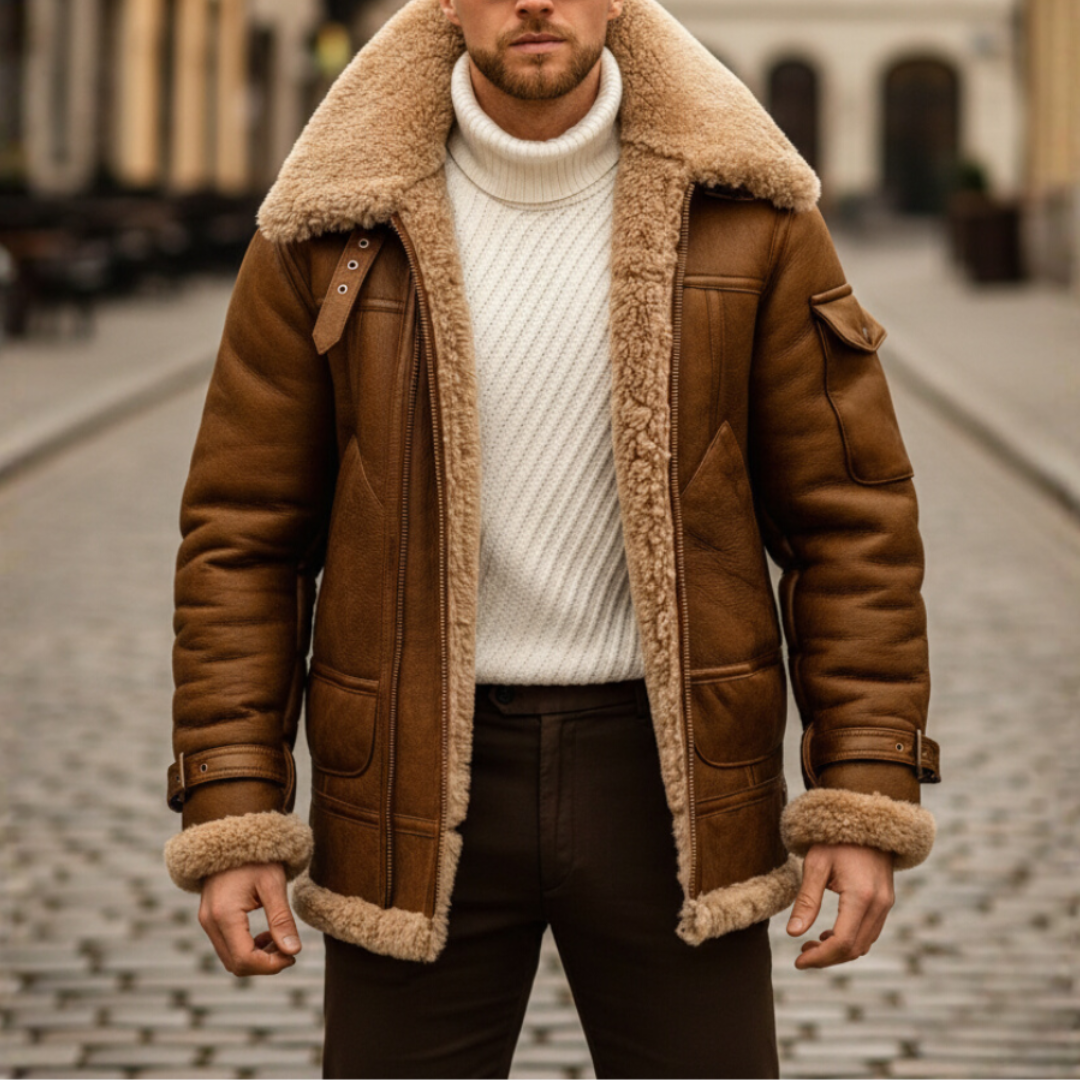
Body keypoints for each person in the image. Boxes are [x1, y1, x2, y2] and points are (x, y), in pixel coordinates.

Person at [162, 0, 942, 1074]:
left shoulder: (749, 212)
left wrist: (863, 795)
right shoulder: (330, 224)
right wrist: (234, 802)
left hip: (674, 789)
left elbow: (851, 528)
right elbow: (243, 539)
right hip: (403, 780)